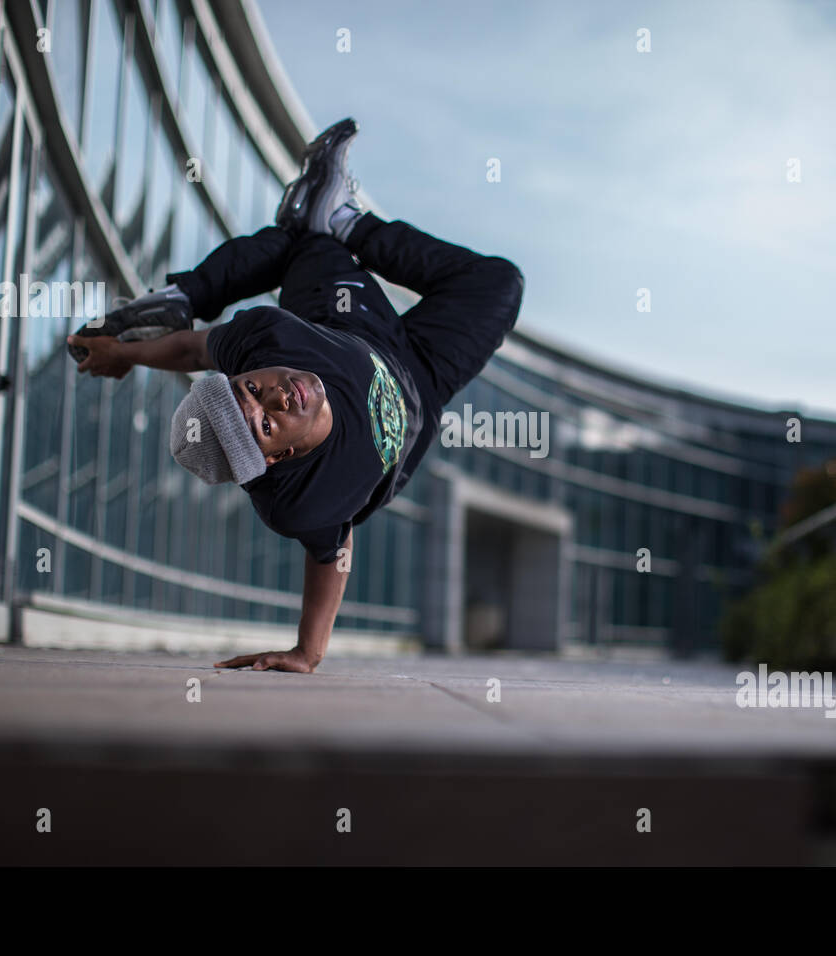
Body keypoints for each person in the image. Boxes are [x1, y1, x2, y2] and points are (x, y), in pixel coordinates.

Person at [65, 118, 524, 673]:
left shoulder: (265, 338)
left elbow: (190, 351)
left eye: (252, 389)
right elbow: (332, 553)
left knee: (307, 244)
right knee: (500, 285)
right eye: (264, 424)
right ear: (278, 456)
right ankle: (339, 221)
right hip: (424, 381)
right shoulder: (304, 500)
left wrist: (125, 353)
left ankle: (217, 276)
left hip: (351, 323)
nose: (279, 396)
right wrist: (309, 653)